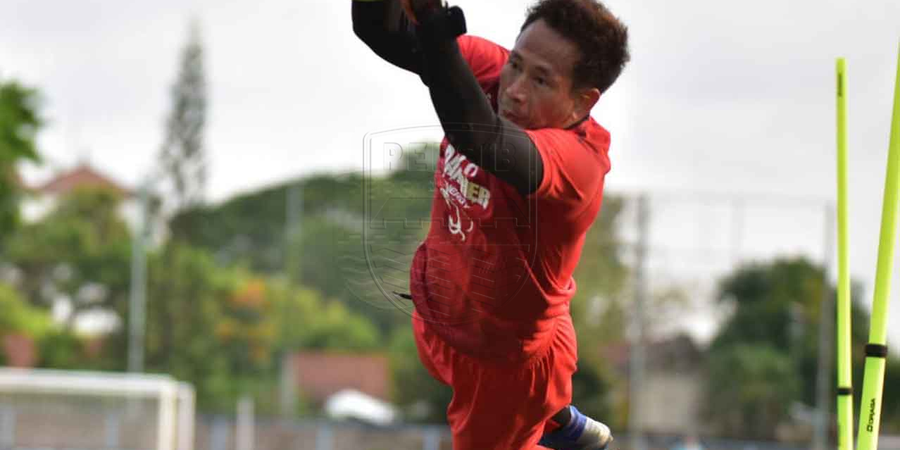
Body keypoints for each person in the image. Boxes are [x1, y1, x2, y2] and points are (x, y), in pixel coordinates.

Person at [352, 0, 629, 448]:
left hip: (505, 359)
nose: (514, 90)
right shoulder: (497, 75)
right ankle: (553, 417)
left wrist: (433, 23)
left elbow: (482, 138)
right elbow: (382, 33)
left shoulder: (576, 165)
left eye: (541, 80)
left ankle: (540, 410)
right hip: (445, 313)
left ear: (584, 99)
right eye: (515, 65)